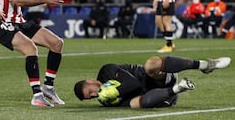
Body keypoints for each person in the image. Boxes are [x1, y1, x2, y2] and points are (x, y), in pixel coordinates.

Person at [74, 55, 231, 108]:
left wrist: (115, 91)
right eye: (91, 97)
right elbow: (133, 102)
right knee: (134, 105)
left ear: (90, 81)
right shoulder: (106, 100)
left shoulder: (106, 71)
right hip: (159, 97)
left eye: (91, 91)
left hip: (159, 77)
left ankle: (205, 65)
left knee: (150, 65)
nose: (95, 95)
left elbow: (133, 83)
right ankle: (179, 89)